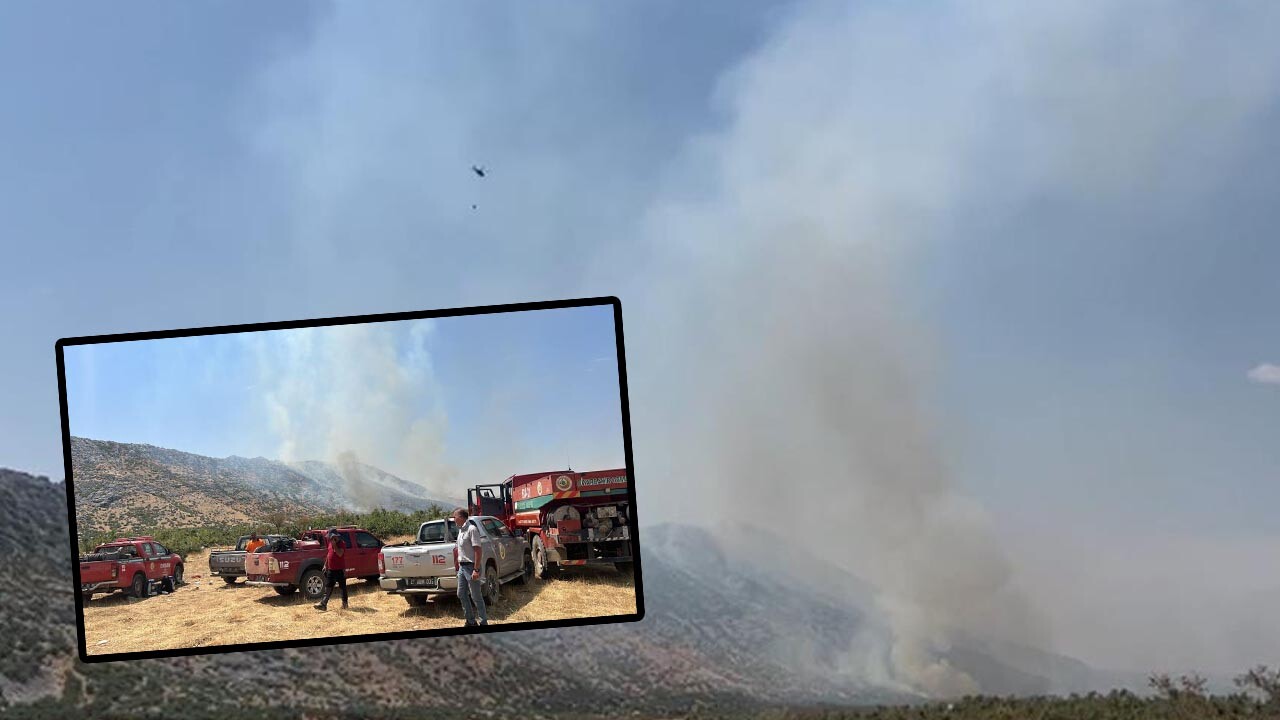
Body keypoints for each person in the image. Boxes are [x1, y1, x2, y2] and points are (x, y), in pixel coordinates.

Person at [453, 508, 487, 627]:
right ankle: (470, 621)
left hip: (472, 567)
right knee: (461, 593)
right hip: (462, 568)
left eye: (455, 517)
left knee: (476, 596)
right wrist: (458, 567)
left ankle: (483, 622)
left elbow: (478, 550)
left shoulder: (471, 529)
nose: (453, 519)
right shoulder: (460, 530)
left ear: (462, 517)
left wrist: (476, 569)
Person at [314, 529, 348, 611]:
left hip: (340, 569)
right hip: (331, 569)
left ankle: (345, 604)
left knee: (342, 587)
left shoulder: (341, 543)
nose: (329, 538)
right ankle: (323, 604)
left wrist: (335, 545)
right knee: (328, 587)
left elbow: (340, 554)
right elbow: (329, 554)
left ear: (334, 536)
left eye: (330, 537)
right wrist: (325, 565)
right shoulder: (330, 543)